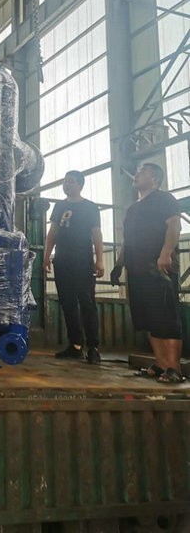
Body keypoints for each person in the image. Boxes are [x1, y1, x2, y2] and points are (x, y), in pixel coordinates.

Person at [110, 163, 182, 384]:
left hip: (158, 267)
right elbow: (127, 240)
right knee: (148, 318)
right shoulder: (133, 209)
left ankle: (174, 368)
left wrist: (165, 253)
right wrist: (119, 264)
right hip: (136, 269)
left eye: (143, 172)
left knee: (165, 316)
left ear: (155, 180)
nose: (137, 174)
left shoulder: (164, 199)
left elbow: (174, 226)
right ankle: (161, 364)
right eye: (138, 170)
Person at [43, 171, 104, 364]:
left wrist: (100, 260)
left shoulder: (90, 207)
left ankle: (93, 347)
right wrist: (46, 257)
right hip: (62, 260)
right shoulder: (59, 206)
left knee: (87, 303)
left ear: (80, 185)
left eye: (71, 182)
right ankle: (75, 345)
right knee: (68, 303)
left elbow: (97, 234)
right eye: (65, 181)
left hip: (83, 261)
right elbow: (52, 232)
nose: (66, 185)